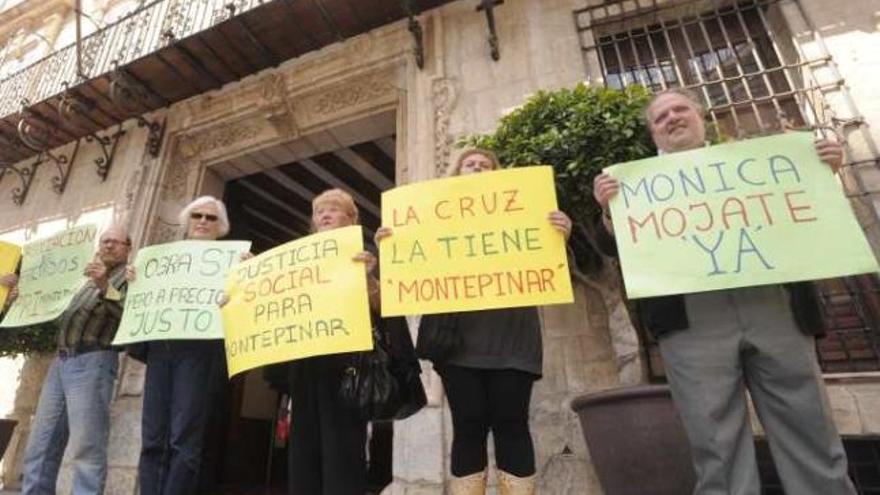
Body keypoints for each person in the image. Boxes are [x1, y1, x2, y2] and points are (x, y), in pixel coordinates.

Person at [592, 87, 856, 495]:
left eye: (681, 109)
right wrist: (611, 213)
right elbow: (612, 247)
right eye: (661, 117)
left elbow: (805, 215)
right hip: (691, 321)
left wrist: (823, 173)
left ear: (700, 118)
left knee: (809, 427)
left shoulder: (759, 164)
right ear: (653, 133)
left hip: (775, 307)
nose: (673, 118)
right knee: (714, 441)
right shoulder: (633, 186)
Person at [376, 149, 573, 495]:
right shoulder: (432, 221)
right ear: (456, 173)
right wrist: (390, 249)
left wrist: (561, 237)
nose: (478, 167)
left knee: (512, 426)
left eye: (485, 165)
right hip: (457, 343)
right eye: (470, 164)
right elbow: (412, 274)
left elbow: (556, 268)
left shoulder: (523, 214)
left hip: (513, 339)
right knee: (468, 428)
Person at [19, 225, 131, 495]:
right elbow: (49, 304)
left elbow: (128, 316)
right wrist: (19, 294)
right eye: (105, 241)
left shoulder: (128, 278)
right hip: (61, 363)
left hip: (94, 361)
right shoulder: (82, 278)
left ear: (128, 248)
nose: (108, 246)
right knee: (41, 442)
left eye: (116, 242)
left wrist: (105, 285)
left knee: (87, 445)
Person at [286, 188, 380, 495]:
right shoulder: (295, 261)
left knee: (343, 450)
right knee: (304, 449)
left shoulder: (361, 257)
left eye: (334, 209)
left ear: (351, 218)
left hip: (346, 369)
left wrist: (367, 277)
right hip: (306, 365)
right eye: (319, 211)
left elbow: (382, 308)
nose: (325, 214)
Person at [136, 196, 232, 495]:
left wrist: (248, 278)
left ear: (221, 227)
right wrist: (135, 280)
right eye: (197, 215)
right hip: (160, 350)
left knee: (184, 439)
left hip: (199, 352)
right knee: (152, 438)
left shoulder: (233, 263)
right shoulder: (161, 261)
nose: (203, 221)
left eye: (211, 218)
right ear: (187, 221)